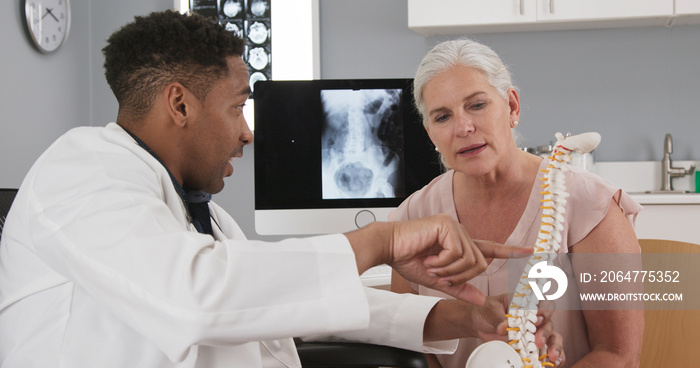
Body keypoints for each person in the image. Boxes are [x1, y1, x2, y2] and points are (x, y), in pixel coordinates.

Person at [0, 11, 548, 368]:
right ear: (180, 104)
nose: (247, 132)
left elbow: (282, 301)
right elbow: (198, 297)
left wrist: (457, 318)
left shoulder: (204, 217)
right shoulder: (81, 169)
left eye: (479, 105)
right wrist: (377, 241)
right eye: (239, 107)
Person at [390, 38, 645, 368]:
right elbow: (405, 349)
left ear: (512, 107)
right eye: (442, 117)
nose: (463, 128)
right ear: (430, 134)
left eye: (477, 105)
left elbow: (619, 355)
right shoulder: (411, 218)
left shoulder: (590, 206)